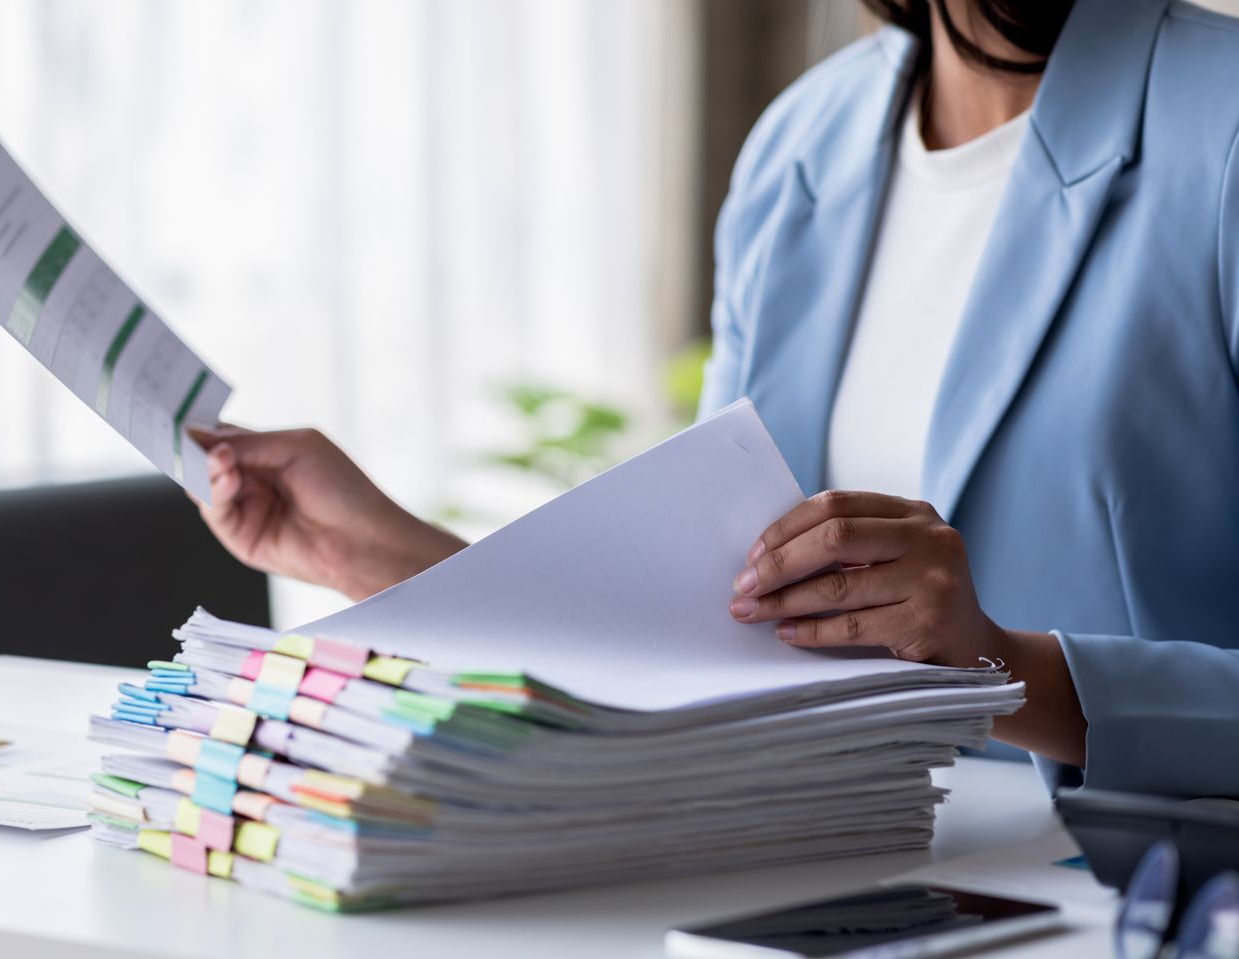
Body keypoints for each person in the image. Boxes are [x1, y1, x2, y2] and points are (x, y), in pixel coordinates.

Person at [188, 0, 1239, 799]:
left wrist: (1005, 667)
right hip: (817, 879)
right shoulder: (802, 145)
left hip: (1137, 903)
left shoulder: (1222, 127)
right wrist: (382, 556)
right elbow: (721, 625)